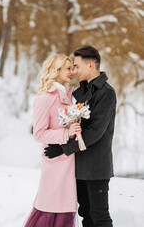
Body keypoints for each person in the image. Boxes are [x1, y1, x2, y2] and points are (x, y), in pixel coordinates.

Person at [45, 45, 117, 227]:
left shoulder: (106, 93)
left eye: (76, 66)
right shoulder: (83, 92)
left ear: (91, 65)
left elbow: (94, 132)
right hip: (80, 166)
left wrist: (63, 149)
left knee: (99, 216)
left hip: (96, 167)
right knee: (86, 214)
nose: (75, 71)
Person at [24, 55, 81, 227]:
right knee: (50, 209)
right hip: (55, 163)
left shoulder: (68, 94)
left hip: (68, 160)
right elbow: (39, 134)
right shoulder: (44, 98)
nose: (72, 72)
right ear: (56, 71)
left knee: (63, 209)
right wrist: (66, 133)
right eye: (68, 68)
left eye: (72, 68)